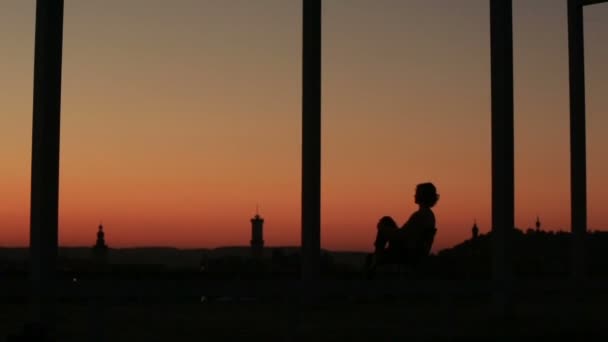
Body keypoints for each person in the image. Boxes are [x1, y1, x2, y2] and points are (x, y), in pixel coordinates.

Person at [366, 182, 439, 276]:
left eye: (417, 192)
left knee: (385, 221)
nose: (415, 195)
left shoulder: (420, 216)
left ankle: (376, 258)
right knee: (386, 222)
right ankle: (376, 258)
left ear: (423, 195)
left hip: (408, 252)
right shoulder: (429, 215)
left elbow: (401, 235)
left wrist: (383, 229)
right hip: (414, 250)